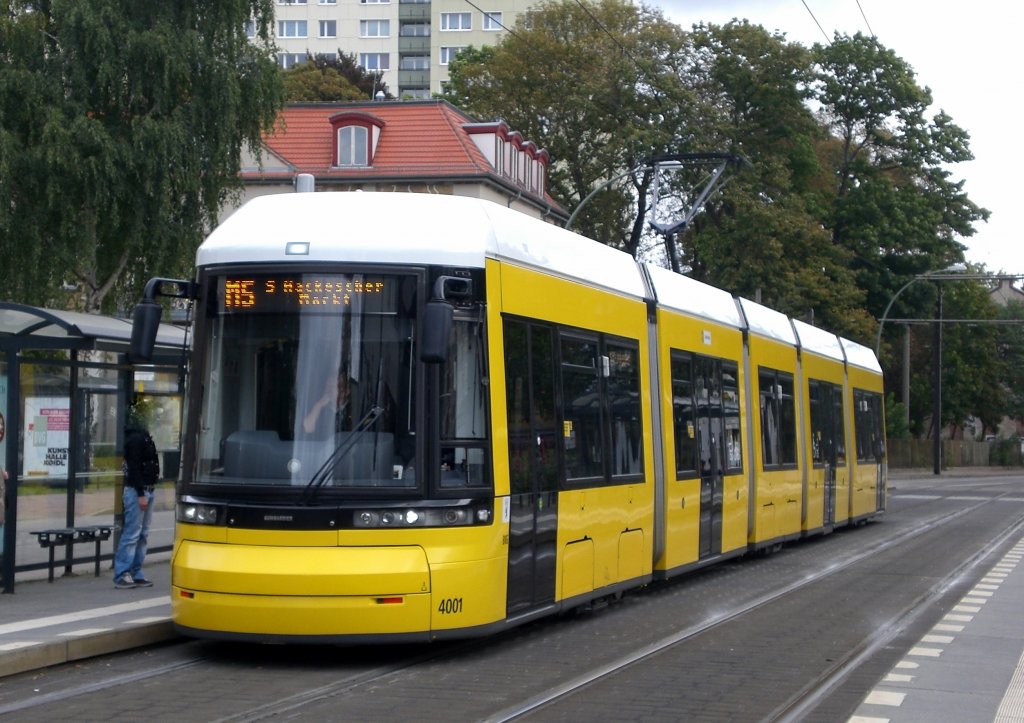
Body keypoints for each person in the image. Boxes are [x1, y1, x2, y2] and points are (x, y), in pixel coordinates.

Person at [113, 404, 160, 589]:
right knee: (133, 534)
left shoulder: (144, 437)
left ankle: (135, 571)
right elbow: (133, 469)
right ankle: (123, 573)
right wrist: (141, 493)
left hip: (146, 489)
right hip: (138, 491)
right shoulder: (136, 439)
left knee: (142, 534)